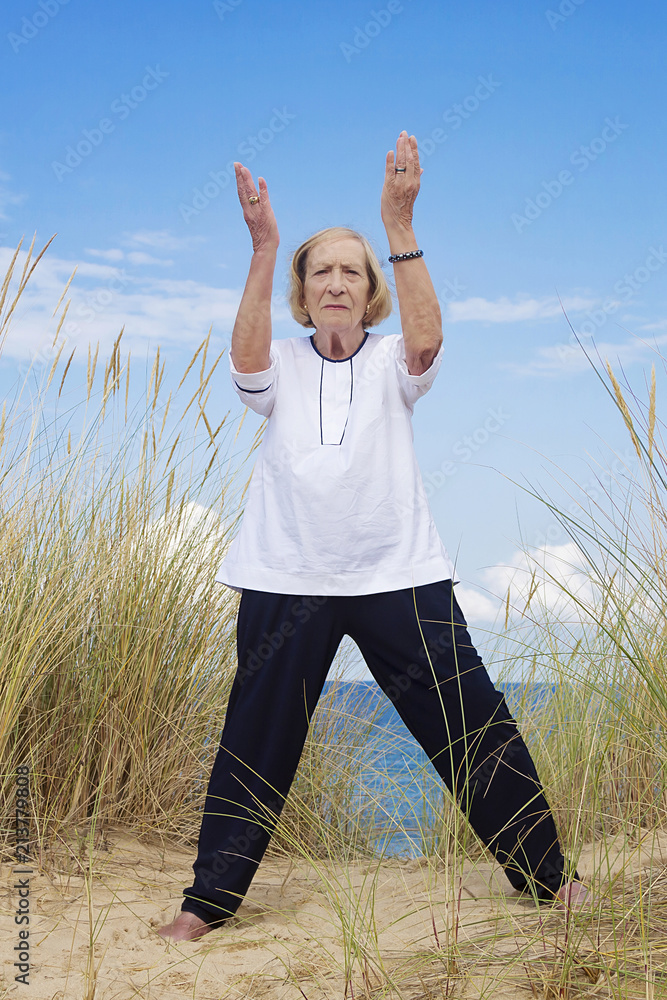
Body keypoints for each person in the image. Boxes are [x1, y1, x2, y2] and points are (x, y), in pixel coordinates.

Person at [158, 130, 588, 943]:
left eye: (350, 271)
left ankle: (546, 878)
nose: (336, 283)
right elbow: (242, 358)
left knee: (473, 722)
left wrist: (397, 224)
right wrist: (264, 247)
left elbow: (430, 340)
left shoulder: (395, 360)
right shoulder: (279, 363)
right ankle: (205, 903)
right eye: (321, 270)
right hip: (285, 577)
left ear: (369, 291)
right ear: (303, 289)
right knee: (255, 736)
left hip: (398, 574)